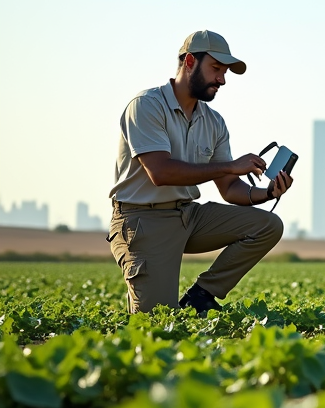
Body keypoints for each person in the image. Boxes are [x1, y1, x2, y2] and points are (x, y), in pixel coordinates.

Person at [108, 30, 293, 316]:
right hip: (143, 221)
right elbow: (160, 173)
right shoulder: (146, 106)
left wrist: (268, 192)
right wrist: (231, 165)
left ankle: (202, 295)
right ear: (190, 61)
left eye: (225, 72)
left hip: (188, 216)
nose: (222, 79)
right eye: (216, 69)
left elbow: (230, 189)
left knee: (268, 225)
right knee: (157, 322)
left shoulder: (214, 122)